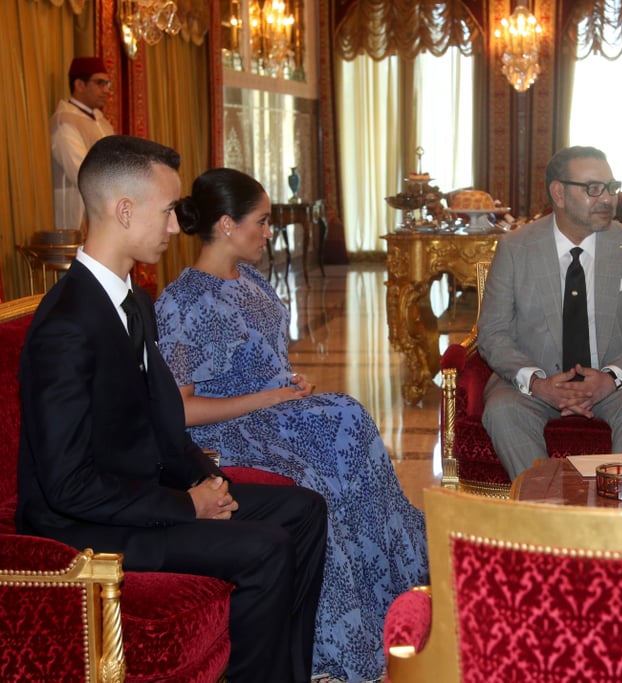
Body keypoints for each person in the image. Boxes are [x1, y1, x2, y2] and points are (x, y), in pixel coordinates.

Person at [17, 135, 328, 683]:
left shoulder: (134, 300)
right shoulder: (67, 324)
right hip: (83, 525)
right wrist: (187, 505)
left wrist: (209, 481)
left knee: (302, 511)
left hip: (141, 491)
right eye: (167, 212)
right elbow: (66, 485)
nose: (172, 227)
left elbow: (165, 422)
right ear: (124, 209)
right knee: (265, 547)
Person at [154, 167, 429, 682]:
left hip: (274, 414)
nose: (268, 231)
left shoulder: (254, 280)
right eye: (261, 221)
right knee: (321, 475)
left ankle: (393, 590)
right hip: (226, 435)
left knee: (351, 418)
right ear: (227, 224)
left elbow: (264, 361)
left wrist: (287, 383)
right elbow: (183, 410)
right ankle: (340, 641)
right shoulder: (179, 303)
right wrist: (270, 395)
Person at [477, 146, 622, 478]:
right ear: (559, 193)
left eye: (612, 187)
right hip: (536, 384)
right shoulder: (515, 249)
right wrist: (538, 383)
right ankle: (547, 517)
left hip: (611, 385)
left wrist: (609, 379)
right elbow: (493, 333)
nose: (607, 198)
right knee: (503, 408)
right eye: (593, 189)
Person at [51, 56, 115, 231]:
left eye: (108, 84)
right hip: (77, 213)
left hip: (105, 211)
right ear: (79, 85)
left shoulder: (102, 122)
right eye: (100, 83)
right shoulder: (64, 121)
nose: (106, 90)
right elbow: (81, 171)